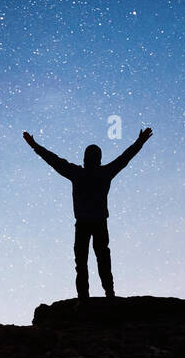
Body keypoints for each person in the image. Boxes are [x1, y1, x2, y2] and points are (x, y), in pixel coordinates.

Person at [22, 127, 153, 300]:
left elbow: (53, 160)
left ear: (86, 159)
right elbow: (124, 158)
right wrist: (140, 142)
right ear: (98, 159)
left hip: (86, 223)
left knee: (85, 261)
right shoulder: (103, 173)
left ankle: (88, 297)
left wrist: (34, 145)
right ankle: (107, 294)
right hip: (95, 223)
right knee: (99, 259)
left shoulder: (78, 173)